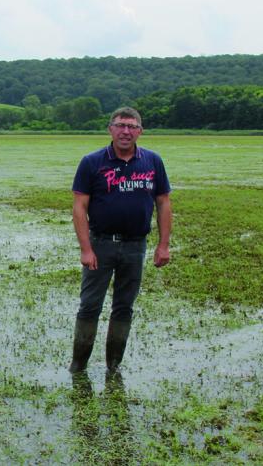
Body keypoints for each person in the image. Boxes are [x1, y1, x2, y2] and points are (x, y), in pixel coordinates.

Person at [69, 107, 171, 375]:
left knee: (124, 307)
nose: (126, 131)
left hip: (135, 246)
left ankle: (113, 365)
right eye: (120, 125)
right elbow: (79, 207)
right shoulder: (92, 162)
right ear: (110, 129)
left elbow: (163, 203)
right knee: (90, 306)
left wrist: (163, 245)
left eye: (132, 126)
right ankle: (78, 365)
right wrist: (86, 249)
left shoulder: (152, 161)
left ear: (140, 130)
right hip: (100, 245)